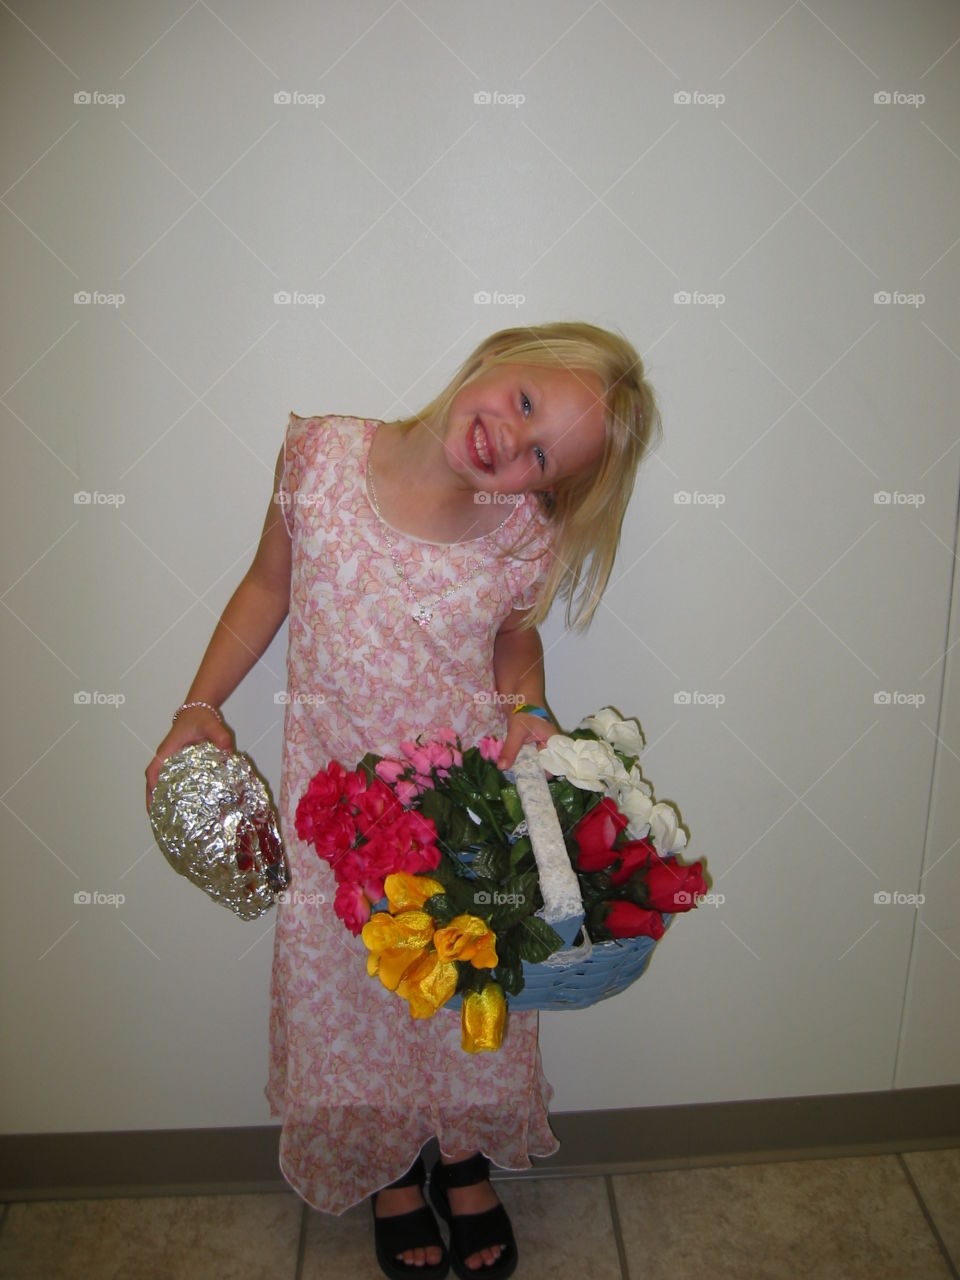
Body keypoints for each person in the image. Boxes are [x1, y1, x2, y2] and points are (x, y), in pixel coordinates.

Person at [145, 321, 662, 1280]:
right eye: (524, 403)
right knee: (359, 991)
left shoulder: (520, 536)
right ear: (498, 357)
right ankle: (389, 1166)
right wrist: (198, 704)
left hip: (460, 812)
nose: (512, 440)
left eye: (541, 454)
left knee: (462, 976)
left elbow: (514, 646)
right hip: (339, 807)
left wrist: (533, 713)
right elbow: (267, 587)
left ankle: (460, 1152)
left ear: (540, 489)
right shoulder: (321, 455)